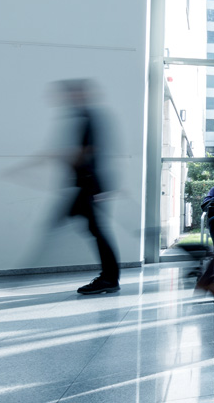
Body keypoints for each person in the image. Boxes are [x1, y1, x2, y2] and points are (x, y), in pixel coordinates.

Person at [60, 80, 122, 295]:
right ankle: (109, 277)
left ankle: (109, 278)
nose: (68, 98)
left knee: (96, 231)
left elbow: (89, 151)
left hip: (89, 186)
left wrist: (65, 158)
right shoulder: (85, 117)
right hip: (87, 185)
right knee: (94, 230)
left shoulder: (89, 118)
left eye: (73, 93)